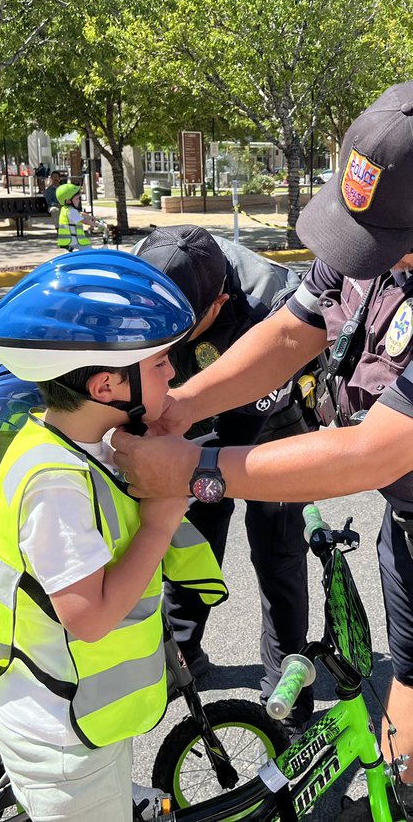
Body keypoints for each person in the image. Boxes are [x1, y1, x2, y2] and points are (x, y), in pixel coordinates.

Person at [112, 80, 413, 820]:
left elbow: (377, 450)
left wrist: (195, 470)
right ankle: (402, 809)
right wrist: (183, 406)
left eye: (387, 245)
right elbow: (293, 331)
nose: (368, 258)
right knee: (410, 681)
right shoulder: (388, 217)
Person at [0, 250, 226, 822]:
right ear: (106, 385)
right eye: (159, 363)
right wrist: (160, 522)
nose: (174, 371)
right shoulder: (58, 487)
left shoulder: (79, 444)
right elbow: (90, 620)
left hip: (80, 711)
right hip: (63, 734)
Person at [134, 224, 315, 732]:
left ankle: (287, 690)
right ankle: (183, 655)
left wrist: (171, 464)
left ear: (216, 304)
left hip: (267, 424)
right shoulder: (148, 269)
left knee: (277, 552)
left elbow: (235, 436)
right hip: (186, 416)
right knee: (192, 537)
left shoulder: (275, 308)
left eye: (178, 328)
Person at [55, 182, 95, 251]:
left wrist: (92, 218)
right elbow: (84, 221)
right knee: (91, 253)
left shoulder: (65, 209)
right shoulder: (72, 211)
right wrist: (97, 225)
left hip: (69, 242)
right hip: (75, 243)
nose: (79, 201)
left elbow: (81, 214)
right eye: (77, 199)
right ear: (68, 200)